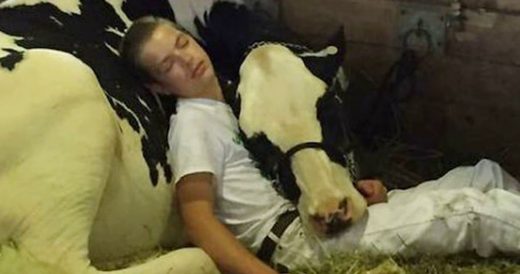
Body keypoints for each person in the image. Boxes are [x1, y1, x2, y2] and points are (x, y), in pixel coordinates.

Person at [119, 16, 520, 274]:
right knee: (470, 212)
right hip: (296, 244)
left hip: (315, 218)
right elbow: (198, 218)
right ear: (157, 86)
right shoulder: (192, 125)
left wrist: (356, 190)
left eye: (181, 44)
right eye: (167, 64)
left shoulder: (233, 100)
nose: (185, 59)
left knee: (481, 174)